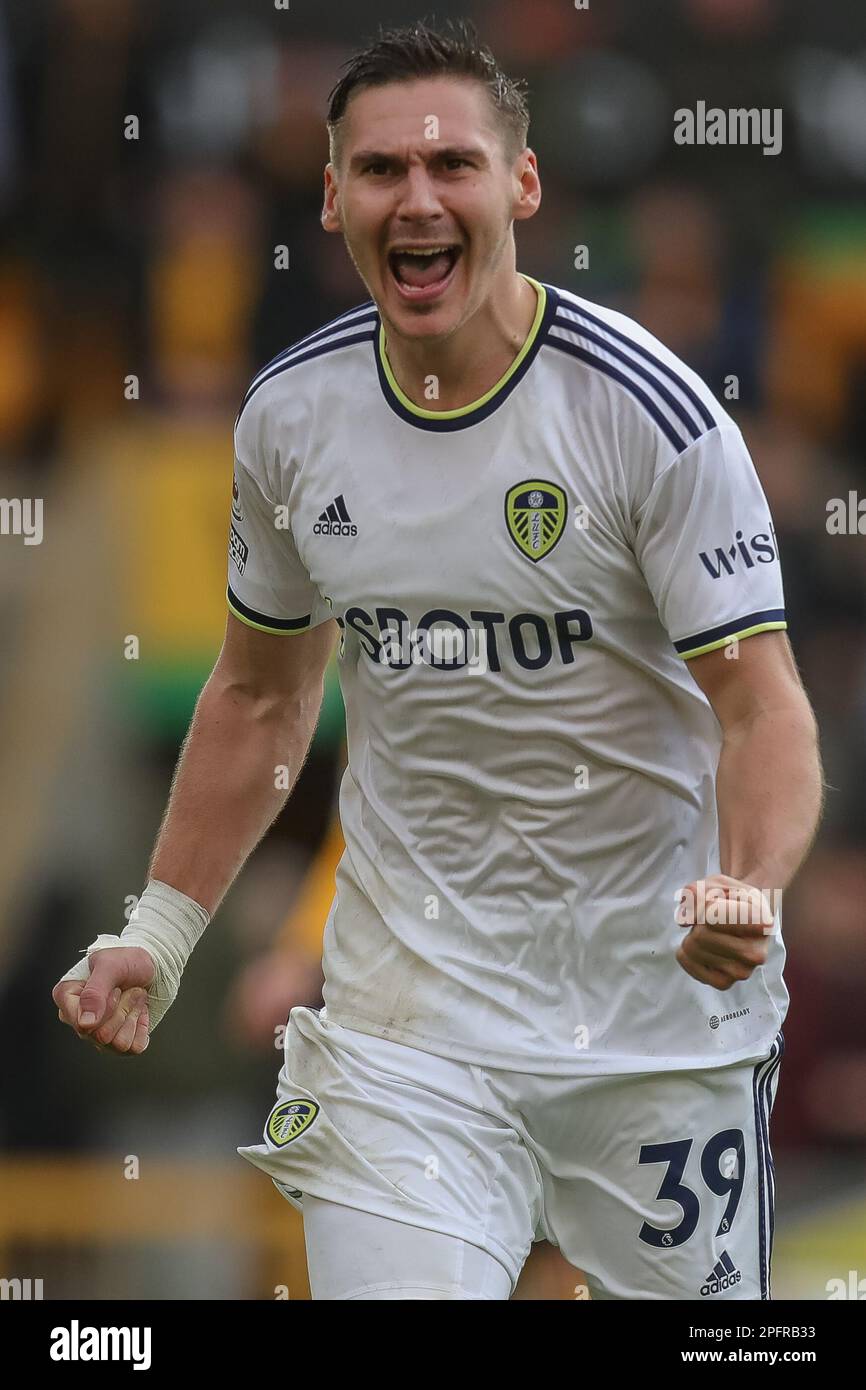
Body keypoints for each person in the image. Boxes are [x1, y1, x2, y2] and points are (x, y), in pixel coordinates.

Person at [54, 19, 823, 1301]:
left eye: (453, 165)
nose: (418, 198)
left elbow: (761, 708)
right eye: (380, 171)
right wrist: (163, 930)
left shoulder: (649, 417)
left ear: (520, 187)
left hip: (651, 1029)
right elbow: (258, 694)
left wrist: (748, 885)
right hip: (410, 1033)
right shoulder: (289, 420)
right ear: (332, 199)